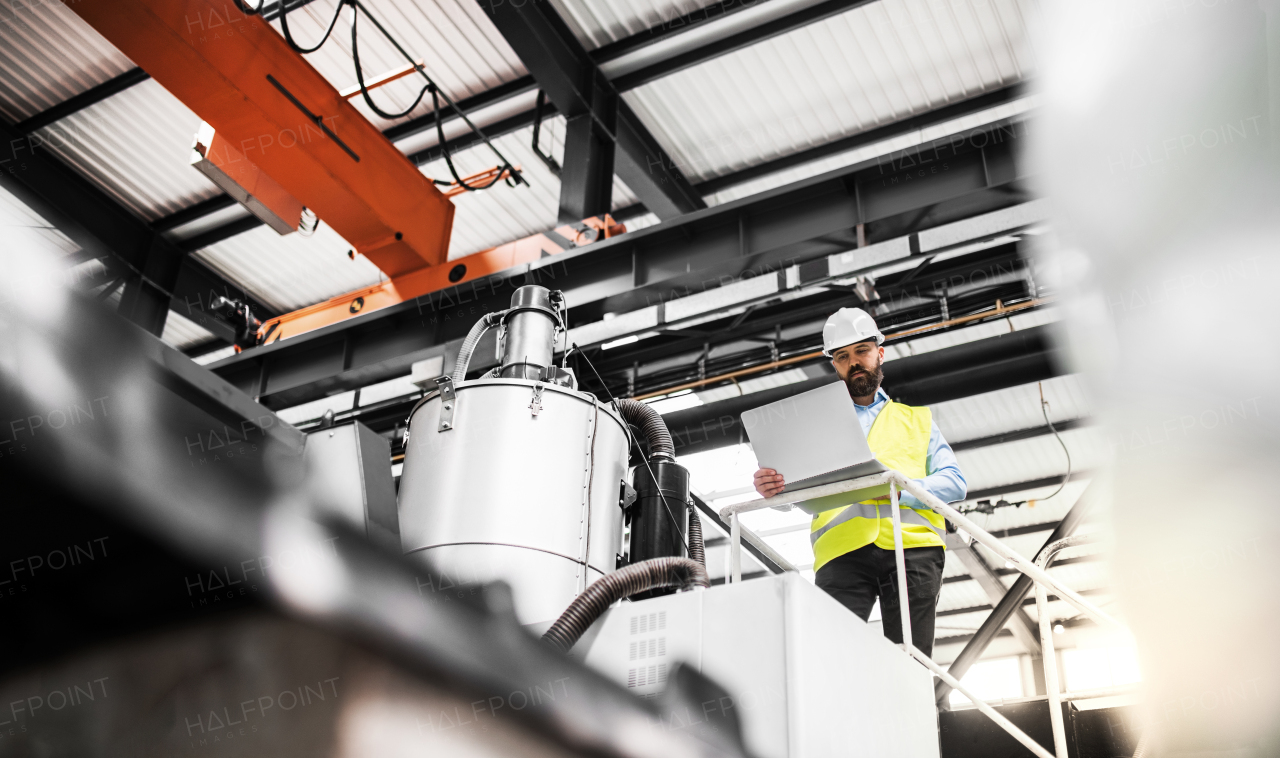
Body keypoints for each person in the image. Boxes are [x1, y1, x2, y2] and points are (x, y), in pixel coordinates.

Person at [752, 307, 966, 658]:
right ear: (834, 365)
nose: (853, 362)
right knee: (833, 662)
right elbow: (796, 490)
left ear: (880, 353)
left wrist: (900, 489)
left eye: (861, 351)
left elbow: (955, 483)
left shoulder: (917, 420)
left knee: (911, 664)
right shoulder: (814, 424)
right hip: (842, 553)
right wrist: (775, 488)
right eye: (842, 356)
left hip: (912, 550)